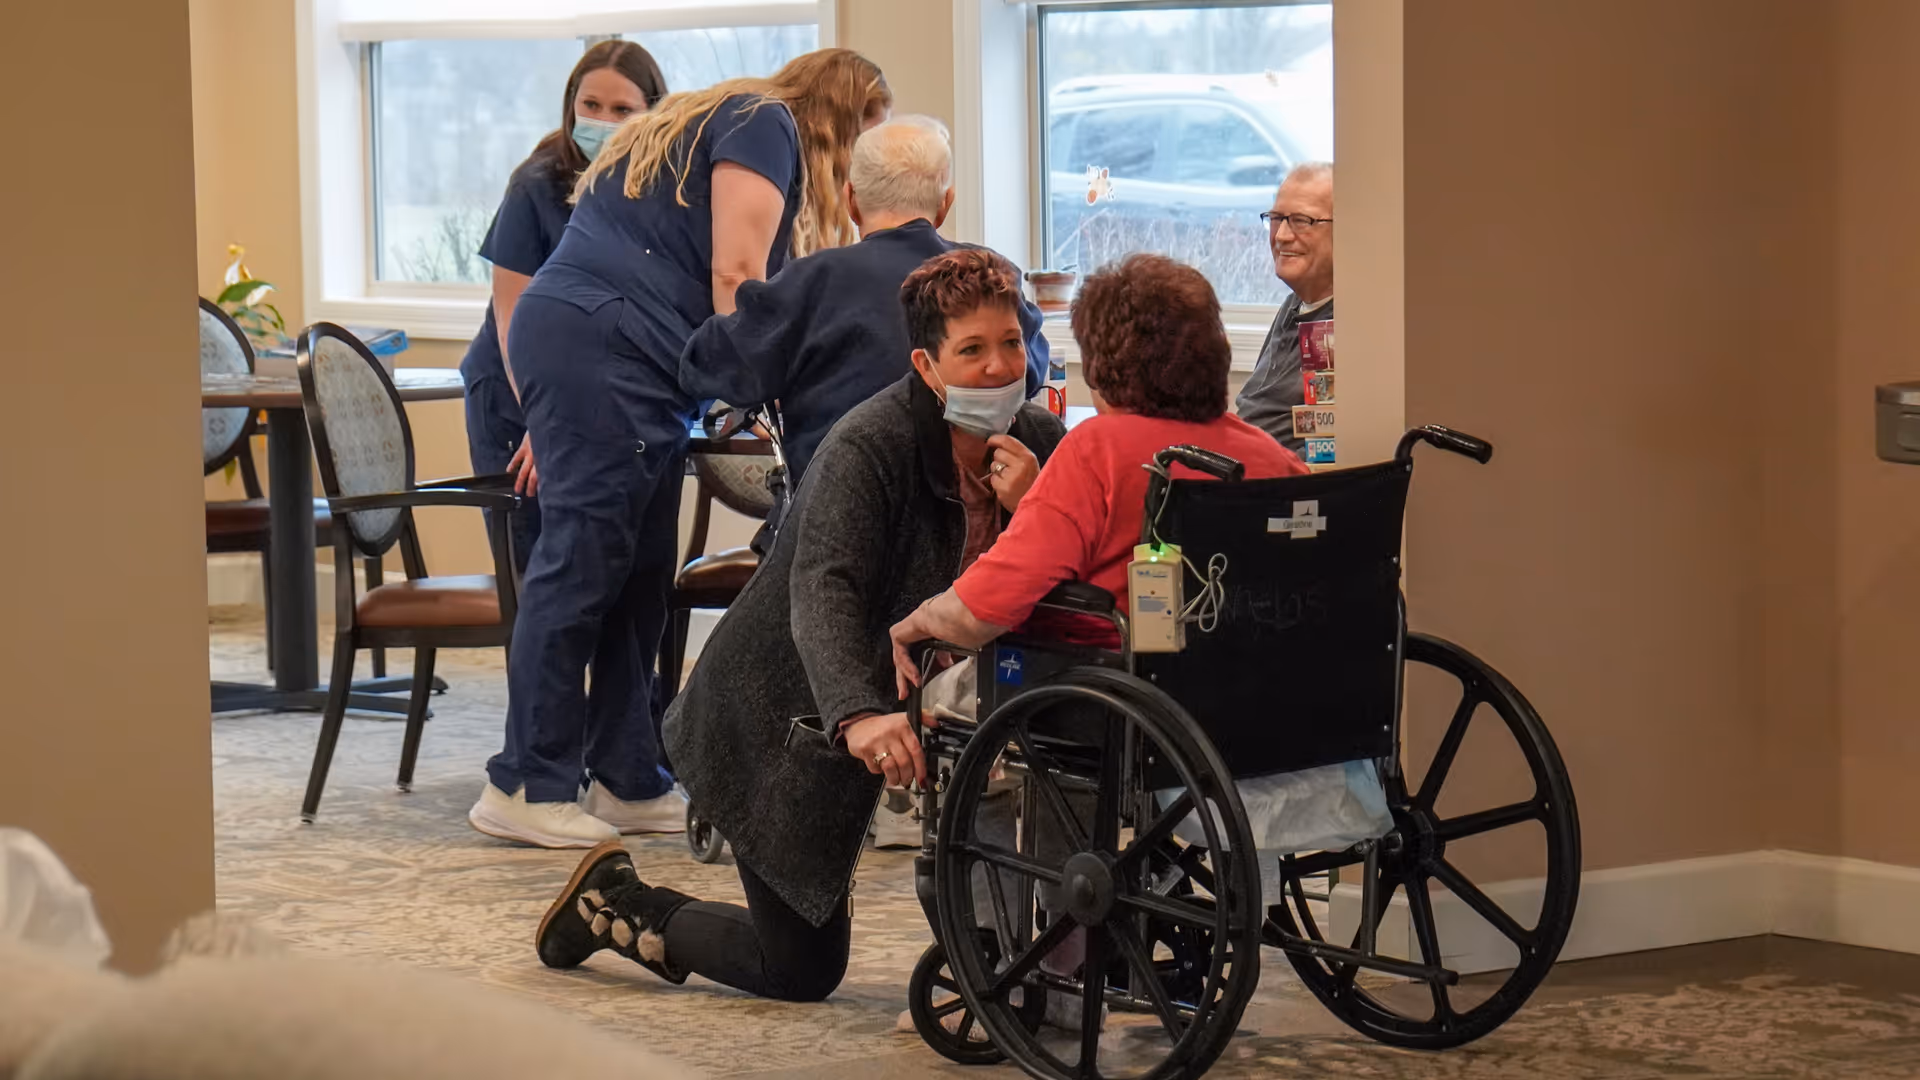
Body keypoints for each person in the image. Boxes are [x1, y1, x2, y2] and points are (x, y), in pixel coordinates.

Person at [532, 248, 1066, 1002]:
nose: (998, 368)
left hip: (921, 700)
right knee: (800, 969)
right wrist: (857, 713)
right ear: (927, 364)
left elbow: (1069, 568)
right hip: (781, 704)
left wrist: (1035, 509)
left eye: (1011, 344)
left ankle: (1000, 958)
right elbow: (825, 591)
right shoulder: (870, 445)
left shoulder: (1041, 442)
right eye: (971, 350)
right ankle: (613, 903)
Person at [471, 49, 893, 849]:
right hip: (604, 349)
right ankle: (525, 781)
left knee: (638, 574)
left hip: (631, 357)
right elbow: (738, 274)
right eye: (863, 138)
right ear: (838, 118)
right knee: (582, 561)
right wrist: (773, 388)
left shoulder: (716, 121)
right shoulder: (761, 123)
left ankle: (629, 777)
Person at [888, 253, 1307, 673]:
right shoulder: (1274, 458)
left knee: (931, 706)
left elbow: (977, 613)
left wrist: (917, 622)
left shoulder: (1097, 449)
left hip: (1110, 699)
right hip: (1245, 696)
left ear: (1098, 366)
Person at [681, 115, 1051, 489]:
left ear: (851, 201)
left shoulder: (809, 283)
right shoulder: (990, 280)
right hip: (977, 519)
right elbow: (1030, 373)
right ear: (945, 204)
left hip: (834, 514)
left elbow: (708, 365)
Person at [459, 41, 667, 573]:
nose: (602, 120)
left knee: (611, 572)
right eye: (590, 105)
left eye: (622, 110)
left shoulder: (659, 188)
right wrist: (544, 422)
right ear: (571, 104)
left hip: (599, 400)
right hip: (515, 395)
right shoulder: (537, 185)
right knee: (538, 567)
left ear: (653, 111)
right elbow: (513, 320)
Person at [1234, 161, 1334, 452]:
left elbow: (1324, 447)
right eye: (1277, 219)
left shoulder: (1341, 326)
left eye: (1302, 220)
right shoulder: (1295, 304)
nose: (1281, 236)